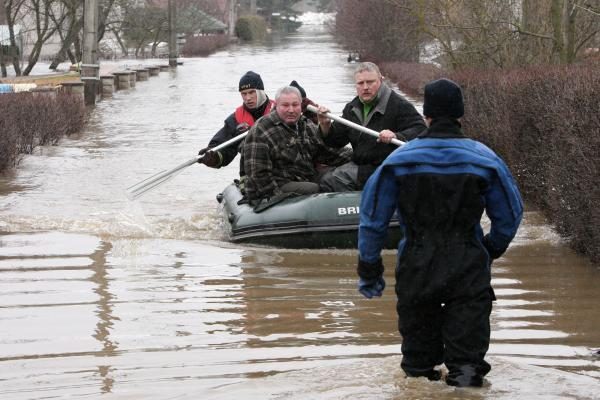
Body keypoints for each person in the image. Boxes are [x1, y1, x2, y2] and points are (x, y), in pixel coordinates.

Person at [356, 78, 523, 387]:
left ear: (426, 116)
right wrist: (488, 250)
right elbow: (510, 217)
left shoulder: (398, 160)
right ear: (460, 115)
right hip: (468, 264)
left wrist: (370, 270)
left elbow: (372, 220)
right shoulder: (485, 159)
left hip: (417, 264)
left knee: (417, 369)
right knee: (468, 367)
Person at [317, 62, 426, 192]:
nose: (365, 87)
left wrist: (396, 136)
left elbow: (421, 129)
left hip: (387, 167)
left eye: (370, 82)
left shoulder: (399, 105)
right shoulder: (352, 108)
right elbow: (335, 141)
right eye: (361, 83)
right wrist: (325, 124)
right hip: (361, 164)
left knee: (331, 180)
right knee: (323, 176)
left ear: (381, 80)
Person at [242, 85, 350, 205]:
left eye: (295, 105)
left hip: (303, 177)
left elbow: (325, 152)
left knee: (337, 177)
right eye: (285, 105)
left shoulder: (305, 124)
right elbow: (257, 173)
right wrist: (276, 197)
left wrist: (358, 157)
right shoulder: (261, 129)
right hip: (276, 184)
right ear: (276, 105)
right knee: (314, 189)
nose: (291, 110)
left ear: (301, 106)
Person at [197, 71, 274, 174]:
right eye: (244, 94)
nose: (248, 98)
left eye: (251, 92)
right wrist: (213, 157)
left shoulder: (280, 110)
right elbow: (223, 148)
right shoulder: (236, 119)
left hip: (281, 169)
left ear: (260, 91)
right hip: (252, 174)